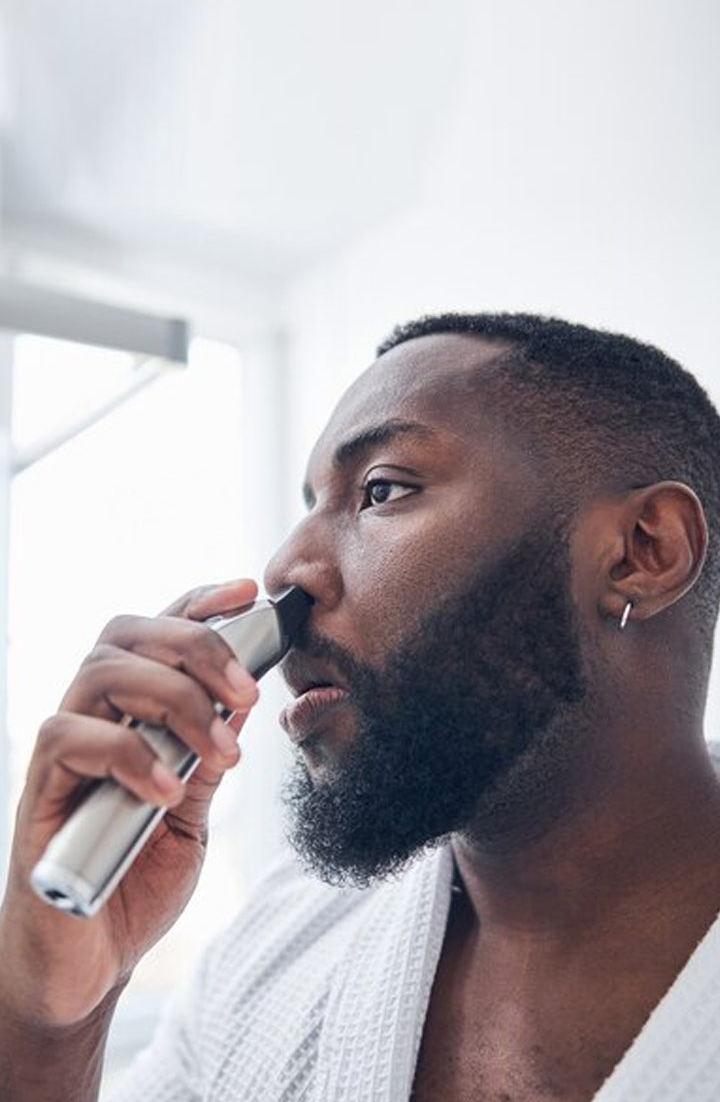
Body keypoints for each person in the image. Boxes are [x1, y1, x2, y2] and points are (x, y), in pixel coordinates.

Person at [2, 311, 720, 1102]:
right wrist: (51, 1027)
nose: (285, 569)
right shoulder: (270, 949)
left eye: (383, 489)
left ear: (644, 550)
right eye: (310, 503)